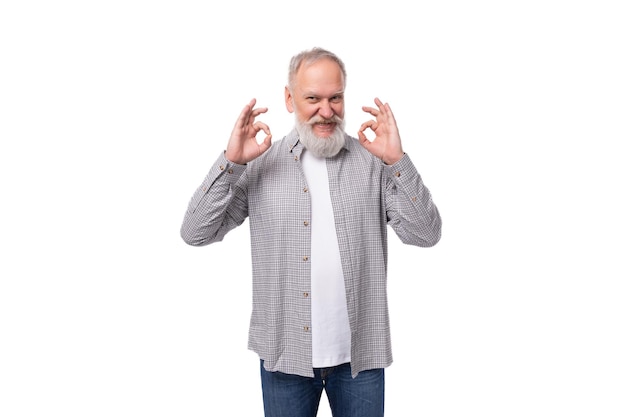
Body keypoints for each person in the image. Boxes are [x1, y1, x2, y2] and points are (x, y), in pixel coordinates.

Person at [180, 47, 442, 417]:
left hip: (360, 361)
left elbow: (426, 233)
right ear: (289, 98)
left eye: (335, 98)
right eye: (313, 98)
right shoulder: (259, 165)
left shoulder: (373, 162)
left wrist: (397, 161)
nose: (326, 110)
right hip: (285, 358)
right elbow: (195, 231)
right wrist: (231, 163)